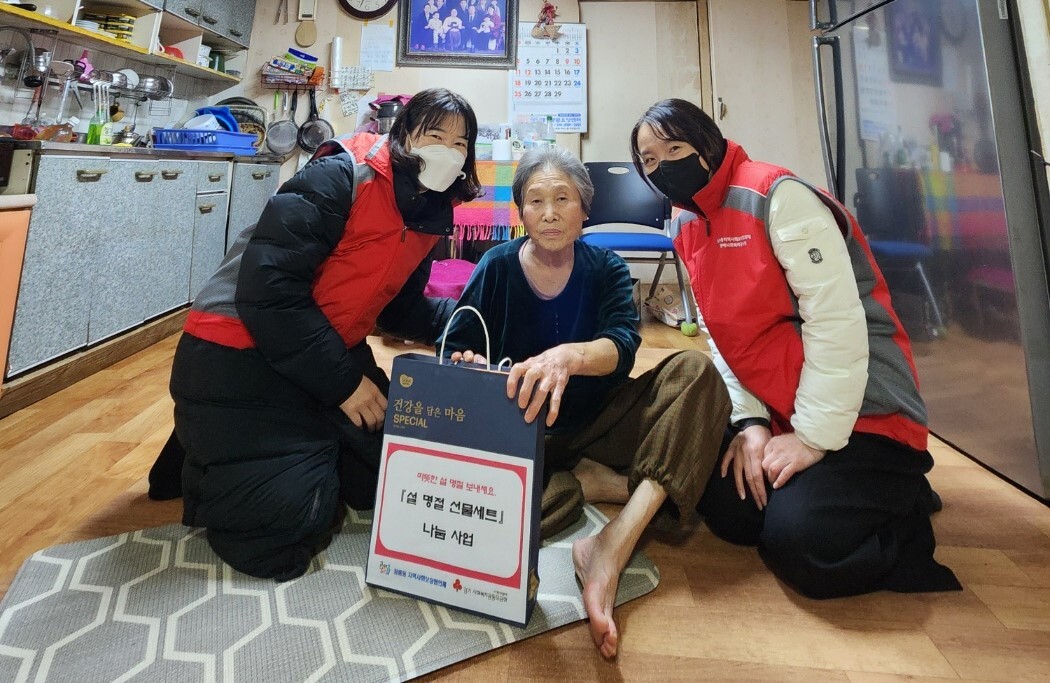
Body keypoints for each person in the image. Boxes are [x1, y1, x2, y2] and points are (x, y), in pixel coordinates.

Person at [146, 88, 482, 581]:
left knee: (395, 475)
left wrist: (468, 326)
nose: (448, 152)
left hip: (322, 346)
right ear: (403, 135)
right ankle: (220, 457)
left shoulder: (429, 212)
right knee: (283, 531)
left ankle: (247, 446)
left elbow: (400, 307)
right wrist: (344, 385)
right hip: (238, 349)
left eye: (460, 144)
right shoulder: (341, 175)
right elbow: (269, 291)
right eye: (434, 135)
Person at [630, 99, 961, 599]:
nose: (663, 166)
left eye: (674, 148)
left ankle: (903, 499)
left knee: (804, 545)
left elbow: (836, 322)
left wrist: (811, 438)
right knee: (728, 509)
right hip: (782, 409)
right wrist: (752, 424)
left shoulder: (774, 195)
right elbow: (724, 335)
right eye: (650, 160)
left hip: (864, 412)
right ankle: (840, 494)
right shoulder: (686, 222)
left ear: (707, 143)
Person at [441, 147, 731, 657]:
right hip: (523, 433)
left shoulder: (606, 268)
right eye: (536, 200)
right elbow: (458, 342)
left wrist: (568, 357)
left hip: (601, 419)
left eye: (563, 199)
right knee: (494, 509)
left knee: (697, 373)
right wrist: (469, 362)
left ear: (584, 210)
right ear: (521, 211)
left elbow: (622, 345)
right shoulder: (495, 265)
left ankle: (610, 545)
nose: (550, 213)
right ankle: (595, 485)